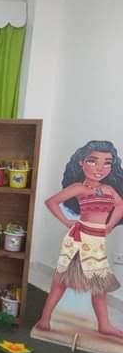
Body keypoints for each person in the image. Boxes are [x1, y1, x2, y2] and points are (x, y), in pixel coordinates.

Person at [35, 140, 123, 339]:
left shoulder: (109, 190)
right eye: (93, 161)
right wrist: (67, 221)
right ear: (81, 163)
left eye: (107, 163)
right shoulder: (78, 188)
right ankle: (45, 317)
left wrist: (109, 226)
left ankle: (104, 324)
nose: (100, 168)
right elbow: (52, 202)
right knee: (61, 279)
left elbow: (120, 206)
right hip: (79, 239)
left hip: (97, 241)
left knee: (99, 283)